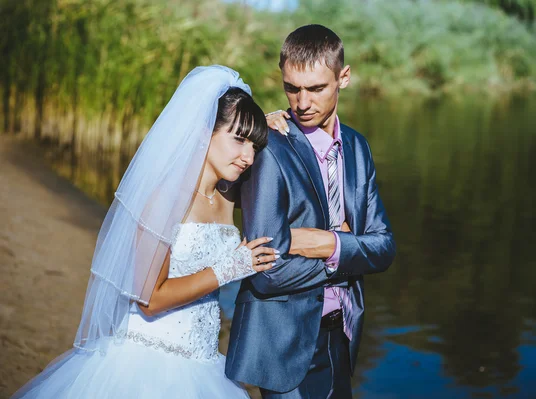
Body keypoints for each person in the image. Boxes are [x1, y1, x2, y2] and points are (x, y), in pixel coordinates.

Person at [11, 66, 277, 399]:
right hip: (150, 361)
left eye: (254, 145)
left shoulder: (229, 194)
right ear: (203, 130)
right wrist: (229, 269)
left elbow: (279, 194)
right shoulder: (164, 199)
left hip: (206, 361)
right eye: (239, 140)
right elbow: (150, 299)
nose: (249, 156)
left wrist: (274, 128)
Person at [225, 25, 396, 398]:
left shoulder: (357, 147)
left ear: (343, 78)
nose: (301, 103)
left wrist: (328, 244)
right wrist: (349, 251)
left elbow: (384, 248)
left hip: (343, 334)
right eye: (291, 88)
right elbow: (267, 272)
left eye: (316, 88)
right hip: (284, 340)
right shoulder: (269, 147)